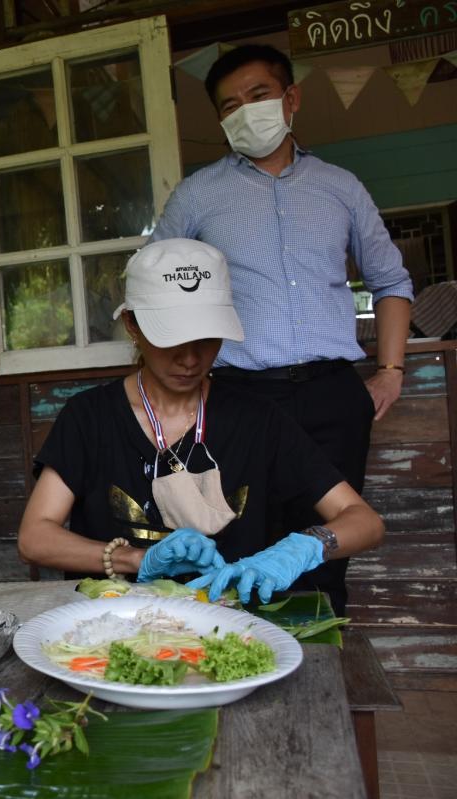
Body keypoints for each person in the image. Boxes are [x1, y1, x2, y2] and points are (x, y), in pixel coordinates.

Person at [150, 44, 413, 611]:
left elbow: (392, 282)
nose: (245, 111)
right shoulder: (199, 194)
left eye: (258, 95)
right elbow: (155, 285)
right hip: (238, 395)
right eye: (229, 105)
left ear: (290, 98)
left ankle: (319, 680)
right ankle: (236, 671)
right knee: (238, 544)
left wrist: (390, 371)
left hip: (331, 395)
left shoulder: (341, 187)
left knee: (325, 552)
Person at [17, 239, 384, 609]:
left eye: (206, 337)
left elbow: (364, 522)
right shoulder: (89, 417)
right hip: (116, 625)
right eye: (171, 337)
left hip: (234, 626)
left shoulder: (258, 419)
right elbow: (35, 537)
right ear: (133, 324)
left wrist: (307, 546)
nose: (190, 358)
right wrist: (137, 559)